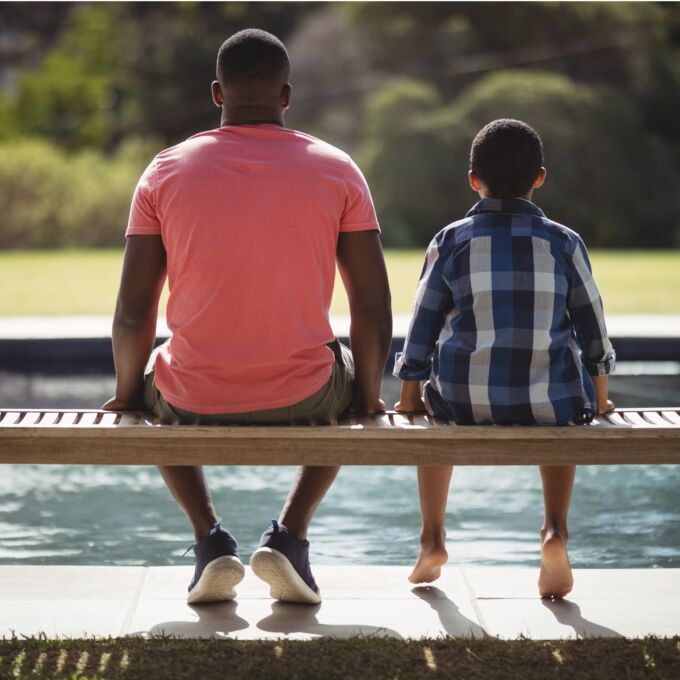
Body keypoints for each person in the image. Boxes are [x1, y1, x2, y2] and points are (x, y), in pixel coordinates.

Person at [103, 29, 392, 605]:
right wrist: (366, 398)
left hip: (190, 396)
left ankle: (210, 542)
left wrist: (128, 395)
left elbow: (134, 313)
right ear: (286, 95)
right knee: (351, 376)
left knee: (157, 371)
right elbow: (374, 307)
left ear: (217, 93)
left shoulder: (163, 170)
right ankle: (290, 535)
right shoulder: (338, 169)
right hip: (309, 394)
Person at [394, 118, 615, 598]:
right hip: (550, 405)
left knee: (432, 420)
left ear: (474, 179)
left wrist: (409, 395)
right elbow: (592, 328)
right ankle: (554, 529)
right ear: (540, 176)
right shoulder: (564, 242)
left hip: (460, 405)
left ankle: (432, 539)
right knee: (566, 409)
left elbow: (422, 327)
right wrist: (600, 400)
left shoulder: (451, 240)